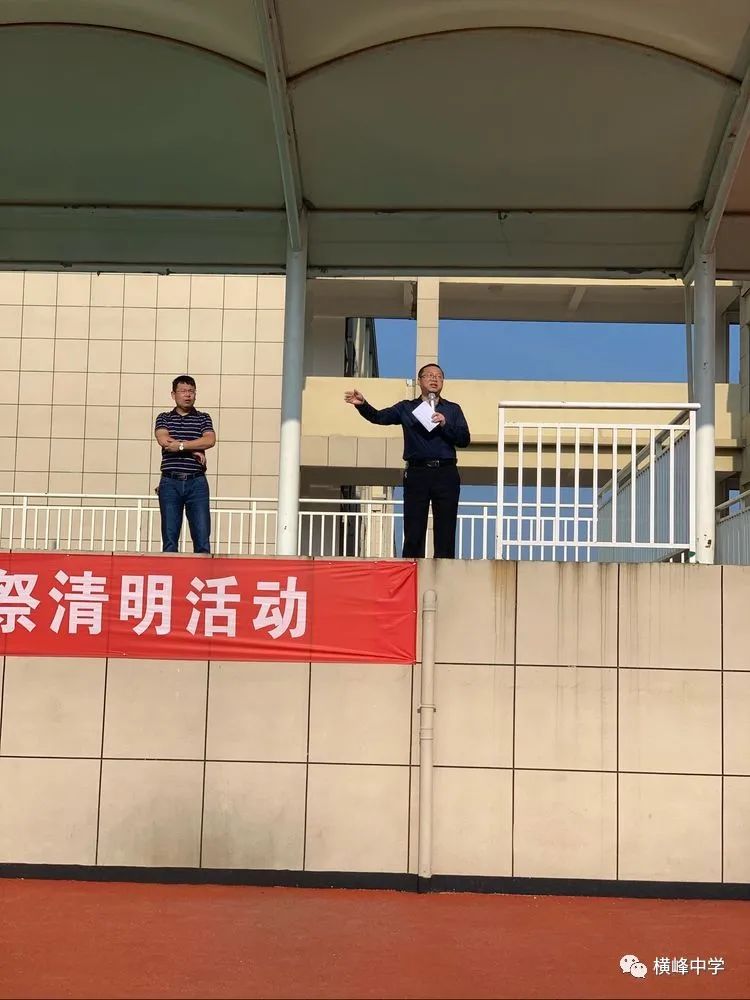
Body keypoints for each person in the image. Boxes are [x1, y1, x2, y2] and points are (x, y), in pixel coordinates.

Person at [345, 363, 470, 558]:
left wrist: (445, 424)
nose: (434, 379)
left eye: (439, 376)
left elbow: (464, 439)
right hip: (417, 473)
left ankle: (444, 569)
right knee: (414, 528)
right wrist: (362, 405)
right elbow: (379, 417)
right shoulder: (407, 407)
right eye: (429, 375)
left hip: (446, 473)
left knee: (446, 528)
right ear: (420, 381)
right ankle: (412, 568)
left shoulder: (453, 409)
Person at [154, 375, 216, 553]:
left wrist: (181, 446)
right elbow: (164, 440)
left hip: (196, 482)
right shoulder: (164, 418)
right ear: (173, 394)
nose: (187, 395)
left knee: (202, 537)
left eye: (191, 391)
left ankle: (203, 570)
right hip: (170, 482)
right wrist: (193, 448)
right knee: (170, 538)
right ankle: (170, 570)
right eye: (183, 391)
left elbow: (210, 440)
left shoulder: (203, 418)